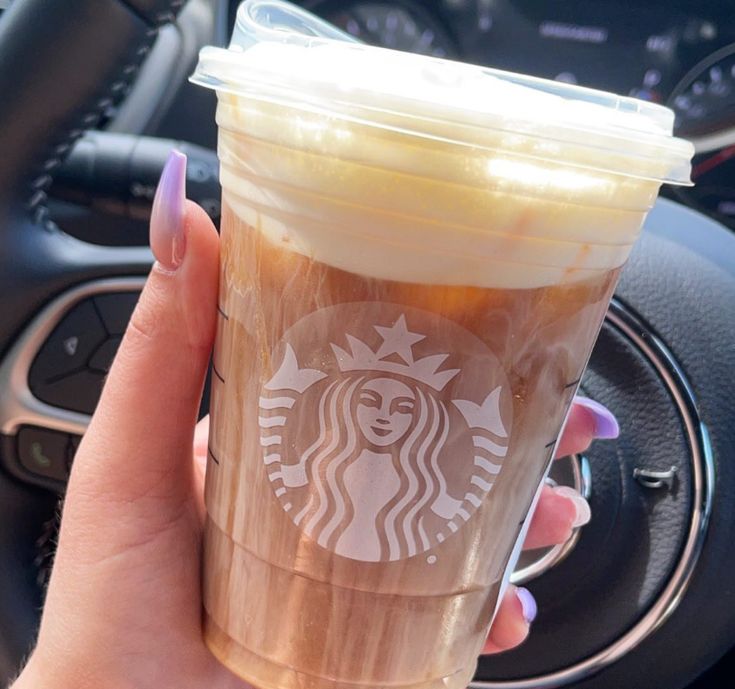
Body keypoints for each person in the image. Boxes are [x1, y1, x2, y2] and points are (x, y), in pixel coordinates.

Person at [10, 152, 620, 689]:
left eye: (404, 405)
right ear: (341, 404)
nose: (384, 416)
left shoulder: (421, 488)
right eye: (369, 401)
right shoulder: (313, 465)